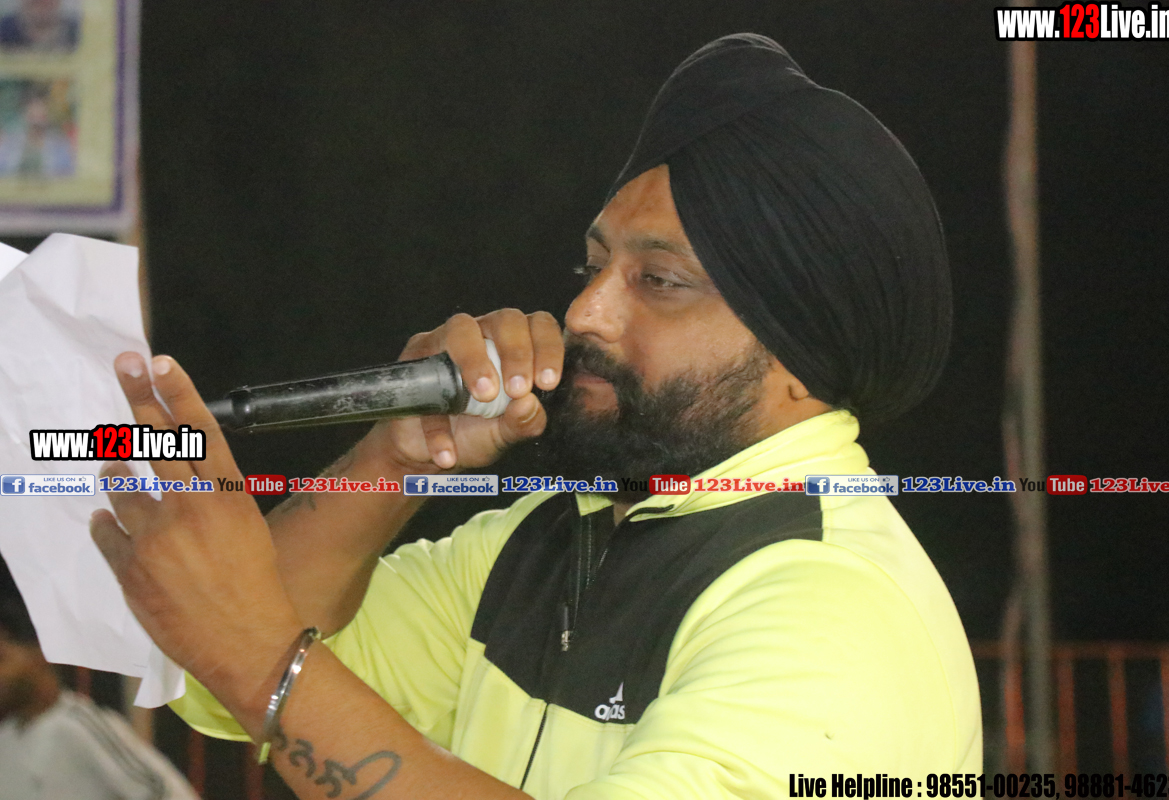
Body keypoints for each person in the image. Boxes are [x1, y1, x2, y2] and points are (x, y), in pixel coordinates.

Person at [89, 34, 982, 799]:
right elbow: (219, 685)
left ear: (800, 355)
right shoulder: (545, 542)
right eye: (593, 267)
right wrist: (396, 461)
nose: (586, 313)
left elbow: (255, 655)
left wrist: (258, 656)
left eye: (659, 281)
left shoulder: (833, 606)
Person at [0, 567, 199, 800]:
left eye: (2, 659)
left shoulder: (78, 726)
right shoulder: (7, 740)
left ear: (40, 652)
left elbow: (167, 795)